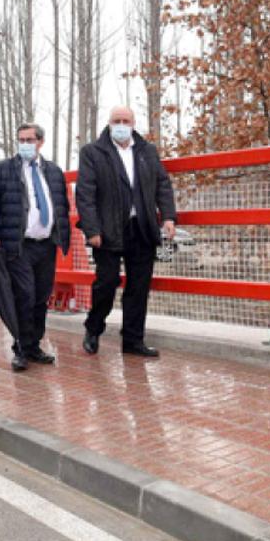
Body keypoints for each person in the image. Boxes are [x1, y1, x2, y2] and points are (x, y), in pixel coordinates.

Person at [75, 107, 177, 358]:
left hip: (141, 227)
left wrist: (169, 216)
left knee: (139, 287)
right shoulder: (93, 152)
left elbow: (162, 185)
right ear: (109, 124)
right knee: (106, 283)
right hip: (107, 229)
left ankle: (133, 340)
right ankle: (93, 328)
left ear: (133, 123)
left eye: (126, 121)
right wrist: (91, 229)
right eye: (116, 121)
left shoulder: (147, 151)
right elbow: (85, 194)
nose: (121, 125)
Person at [0, 123, 72, 370]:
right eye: (21, 139)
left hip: (47, 244)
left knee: (42, 297)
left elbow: (61, 204)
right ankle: (20, 347)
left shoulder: (53, 171)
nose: (25, 144)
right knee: (25, 295)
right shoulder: (2, 170)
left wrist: (63, 234)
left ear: (40, 142)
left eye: (30, 139)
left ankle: (34, 346)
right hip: (18, 245)